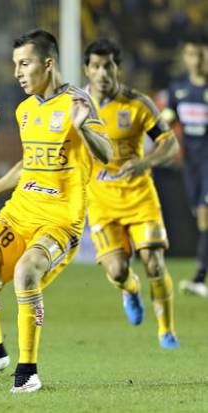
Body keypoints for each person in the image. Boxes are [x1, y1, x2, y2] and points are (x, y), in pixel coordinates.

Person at [0, 29, 112, 393]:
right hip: (21, 211)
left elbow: (107, 154)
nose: (17, 72)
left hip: (60, 221)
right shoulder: (25, 110)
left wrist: (82, 129)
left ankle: (27, 371)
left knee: (27, 272)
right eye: (15, 65)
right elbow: (30, 162)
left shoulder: (79, 103)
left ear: (48, 63)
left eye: (24, 64)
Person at [83, 39, 180, 348]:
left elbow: (170, 143)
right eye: (96, 66)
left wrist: (146, 162)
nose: (102, 73)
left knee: (154, 262)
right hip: (100, 201)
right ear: (87, 69)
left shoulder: (138, 103)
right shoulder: (76, 106)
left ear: (118, 68)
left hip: (140, 196)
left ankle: (166, 331)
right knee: (117, 269)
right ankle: (129, 288)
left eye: (108, 65)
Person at [163, 33, 208, 297]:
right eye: (192, 54)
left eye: (202, 54)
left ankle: (200, 277)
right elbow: (165, 120)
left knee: (204, 214)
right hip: (191, 165)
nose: (197, 60)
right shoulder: (178, 89)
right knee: (200, 217)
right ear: (185, 58)